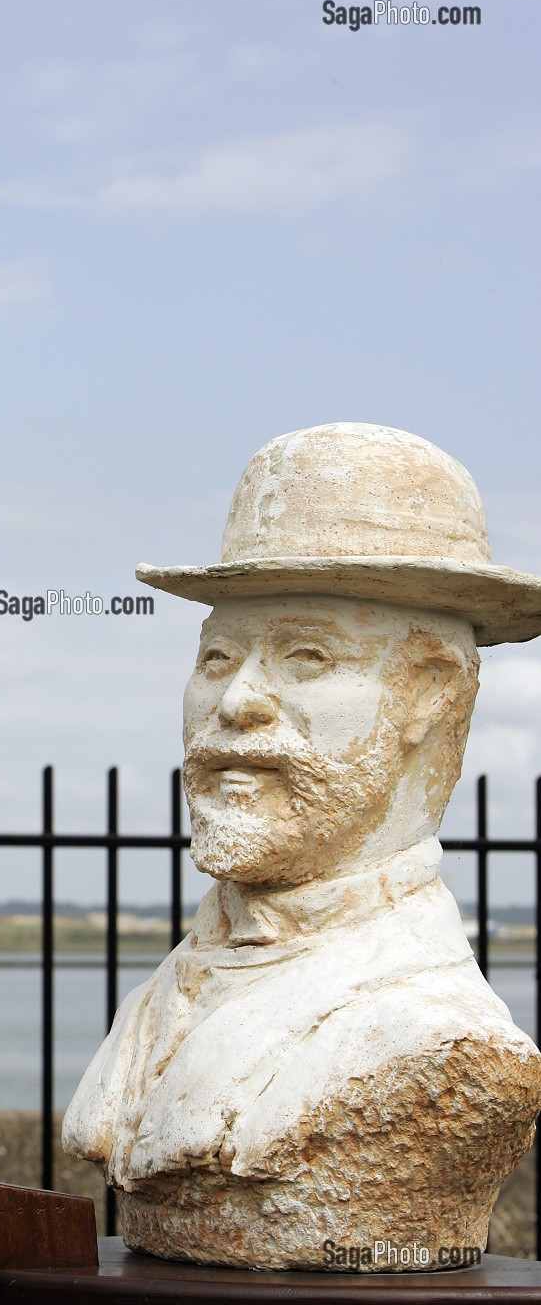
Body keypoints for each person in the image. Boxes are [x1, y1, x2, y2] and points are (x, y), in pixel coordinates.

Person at [63, 423, 541, 1272]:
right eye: (217, 656)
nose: (238, 700)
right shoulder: (164, 992)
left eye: (306, 656)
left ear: (428, 693)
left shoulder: (442, 1042)